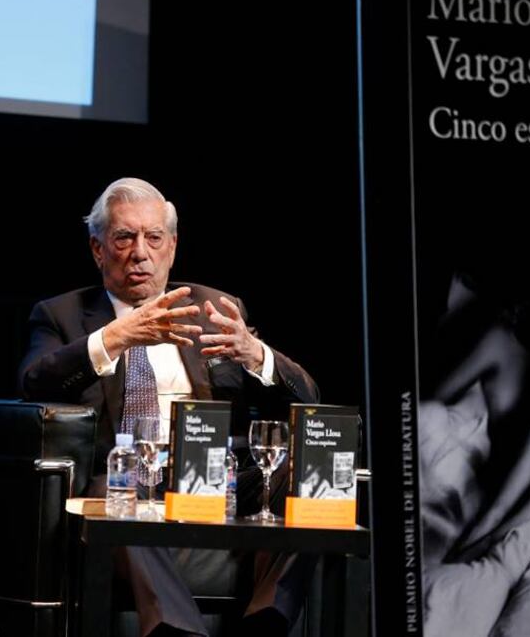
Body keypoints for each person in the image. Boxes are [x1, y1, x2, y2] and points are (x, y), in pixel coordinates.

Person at [18, 177, 319, 636]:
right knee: (111, 493)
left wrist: (257, 355)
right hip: (124, 477)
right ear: (99, 249)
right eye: (124, 237)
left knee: (308, 466)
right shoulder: (60, 315)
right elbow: (33, 382)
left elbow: (309, 399)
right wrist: (117, 337)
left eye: (154, 238)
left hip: (215, 477)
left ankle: (267, 621)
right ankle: (177, 631)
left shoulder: (213, 307)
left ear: (172, 246)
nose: (141, 252)